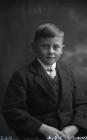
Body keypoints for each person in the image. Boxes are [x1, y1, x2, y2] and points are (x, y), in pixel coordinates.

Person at [2, 23, 87, 139]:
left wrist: (74, 127)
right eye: (45, 46)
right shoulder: (22, 76)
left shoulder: (68, 73)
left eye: (56, 47)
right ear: (34, 47)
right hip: (38, 136)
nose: (51, 51)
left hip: (70, 135)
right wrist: (43, 128)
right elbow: (12, 110)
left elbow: (82, 105)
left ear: (62, 49)